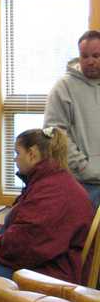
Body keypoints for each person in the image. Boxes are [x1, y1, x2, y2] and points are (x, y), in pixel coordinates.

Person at [0, 127, 93, 283]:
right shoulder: (55, 181)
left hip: (56, 275)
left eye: (18, 153)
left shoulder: (51, 192)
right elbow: (35, 229)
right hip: (59, 266)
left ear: (32, 154)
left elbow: (24, 247)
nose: (15, 159)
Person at [44, 30, 100, 206]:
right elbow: (54, 133)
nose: (90, 61)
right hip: (82, 183)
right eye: (85, 56)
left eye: (96, 55)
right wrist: (83, 166)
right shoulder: (63, 88)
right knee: (85, 233)